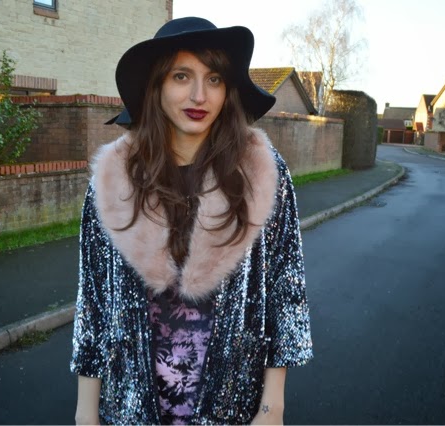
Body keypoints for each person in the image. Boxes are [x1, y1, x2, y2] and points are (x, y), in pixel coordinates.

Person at [70, 17, 313, 425]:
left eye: (214, 79)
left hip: (230, 410)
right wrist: (85, 412)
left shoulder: (260, 175)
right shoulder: (114, 182)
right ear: (157, 85)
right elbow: (93, 302)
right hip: (130, 411)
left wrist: (273, 406)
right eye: (182, 76)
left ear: (228, 90)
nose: (200, 95)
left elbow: (285, 292)